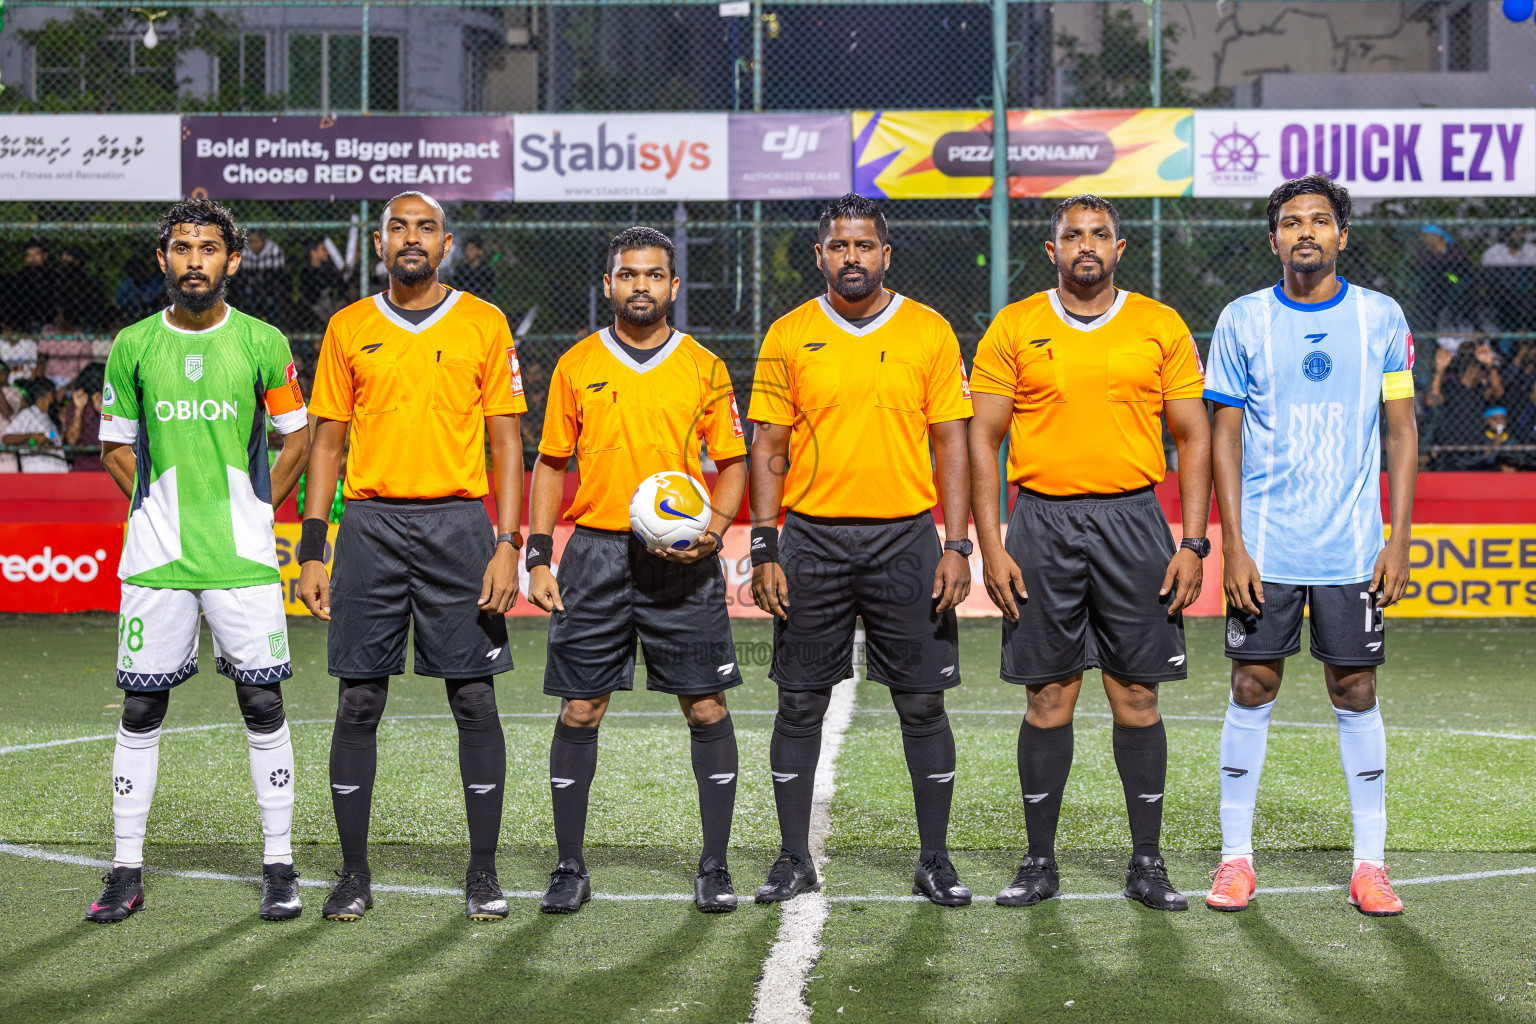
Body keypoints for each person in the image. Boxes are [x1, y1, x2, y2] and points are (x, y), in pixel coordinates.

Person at [967, 194, 1212, 912]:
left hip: (1134, 521)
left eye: (1099, 234)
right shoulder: (1015, 326)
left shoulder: (1159, 325)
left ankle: (1147, 863)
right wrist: (992, 543)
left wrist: (1193, 542)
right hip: (1041, 521)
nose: (1086, 245)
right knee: (1048, 697)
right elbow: (982, 438)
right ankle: (1039, 863)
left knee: (1137, 696)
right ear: (1052, 250)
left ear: (1119, 248)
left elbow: (1193, 435)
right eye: (1072, 234)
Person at [297, 190, 526, 924]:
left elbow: (506, 444)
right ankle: (353, 874)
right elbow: (326, 444)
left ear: (447, 244)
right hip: (369, 526)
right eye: (398, 227)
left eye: (426, 227)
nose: (412, 238)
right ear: (379, 242)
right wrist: (313, 547)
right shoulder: (348, 326)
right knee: (359, 700)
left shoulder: (485, 322)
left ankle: (483, 872)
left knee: (474, 698)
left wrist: (509, 543)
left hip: (459, 527)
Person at [85, 198, 312, 923]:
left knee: (263, 703)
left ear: (231, 260)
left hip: (242, 560)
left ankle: (279, 865)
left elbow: (298, 437)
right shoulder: (132, 345)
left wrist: (255, 509)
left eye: (207, 248)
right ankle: (125, 870)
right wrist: (155, 506)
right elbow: (114, 447)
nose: (194, 261)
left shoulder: (263, 342)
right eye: (181, 248)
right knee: (141, 707)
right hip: (157, 561)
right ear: (163, 259)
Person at [749, 193, 975, 907]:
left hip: (905, 537)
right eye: (840, 246)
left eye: (865, 245)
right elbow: (769, 444)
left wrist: (957, 543)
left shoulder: (930, 331)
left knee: (923, 704)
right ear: (820, 256)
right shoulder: (788, 334)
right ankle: (792, 858)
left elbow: (952, 443)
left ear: (885, 254)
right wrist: (764, 544)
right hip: (811, 539)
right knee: (798, 703)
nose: (853, 257)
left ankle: (935, 860)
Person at [1203, 175, 1418, 917]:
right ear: (1274, 240)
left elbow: (1401, 433)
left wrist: (1398, 539)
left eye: (1319, 221)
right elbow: (1223, 438)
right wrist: (1233, 545)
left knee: (1355, 691)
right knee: (1252, 686)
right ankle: (1236, 859)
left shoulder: (1380, 317)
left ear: (1341, 236)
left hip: (1352, 548)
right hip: (1267, 547)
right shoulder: (1242, 320)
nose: (1305, 232)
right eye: (1291, 222)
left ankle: (1370, 865)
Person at [526, 226, 748, 914]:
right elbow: (550, 464)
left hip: (681, 563)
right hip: (595, 554)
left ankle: (715, 865)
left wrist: (713, 534)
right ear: (609, 284)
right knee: (581, 708)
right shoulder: (576, 364)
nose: (641, 286)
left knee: (705, 705)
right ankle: (570, 866)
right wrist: (539, 553)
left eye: (654, 275)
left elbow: (733, 463)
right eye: (628, 275)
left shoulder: (704, 366)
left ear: (673, 287)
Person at [2, 377, 68, 473]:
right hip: (37, 472)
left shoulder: (49, 420)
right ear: (50, 394)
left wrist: (62, 427)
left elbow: (52, 437)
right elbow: (6, 438)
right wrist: (31, 437)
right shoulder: (28, 414)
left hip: (56, 471)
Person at [238, 229, 289, 328]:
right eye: (251, 241)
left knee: (271, 303)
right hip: (251, 288)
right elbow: (242, 275)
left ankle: (274, 328)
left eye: (257, 241)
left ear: (264, 240)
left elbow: (279, 275)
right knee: (248, 302)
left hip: (269, 288)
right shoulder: (244, 250)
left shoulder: (274, 250)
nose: (254, 245)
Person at [60, 363, 106, 471]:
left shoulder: (112, 404)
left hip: (108, 466)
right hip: (83, 466)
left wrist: (103, 412)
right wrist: (79, 409)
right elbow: (71, 440)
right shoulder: (76, 404)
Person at [17, 239, 56, 333]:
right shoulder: (21, 275)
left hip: (48, 318)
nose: (33, 258)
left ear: (44, 256)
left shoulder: (52, 275)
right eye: (29, 255)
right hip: (26, 317)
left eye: (36, 254)